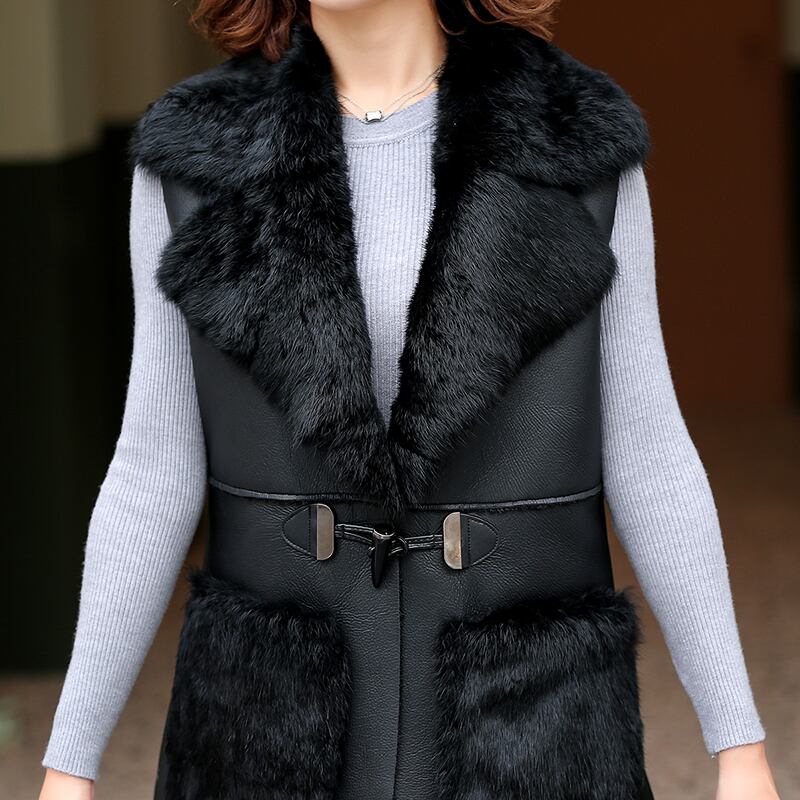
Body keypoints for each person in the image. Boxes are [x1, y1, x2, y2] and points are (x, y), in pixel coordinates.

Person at [40, 1, 780, 798]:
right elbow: (154, 467)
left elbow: (648, 449)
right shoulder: (192, 157)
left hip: (530, 729)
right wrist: (70, 764)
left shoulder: (576, 141)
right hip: (265, 735)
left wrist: (738, 745)